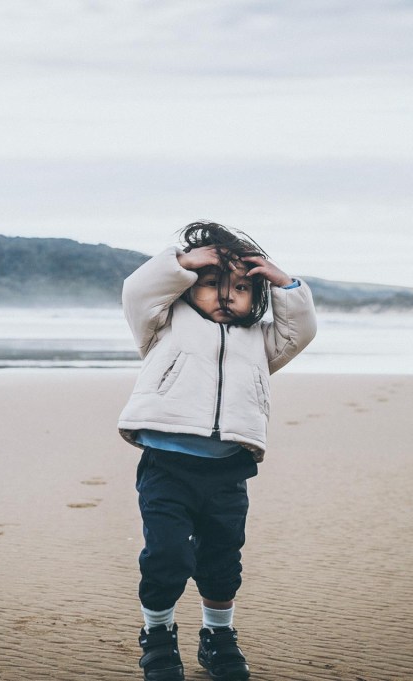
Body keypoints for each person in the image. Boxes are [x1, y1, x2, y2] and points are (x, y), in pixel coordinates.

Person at [117, 221, 318, 681]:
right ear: (187, 287)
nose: (226, 296)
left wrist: (286, 283)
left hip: (228, 471)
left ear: (257, 296)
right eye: (211, 285)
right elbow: (136, 291)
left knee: (222, 560)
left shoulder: (261, 342)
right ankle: (158, 633)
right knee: (167, 557)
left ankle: (217, 635)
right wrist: (183, 262)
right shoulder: (162, 325)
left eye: (242, 288)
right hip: (167, 465)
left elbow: (299, 331)